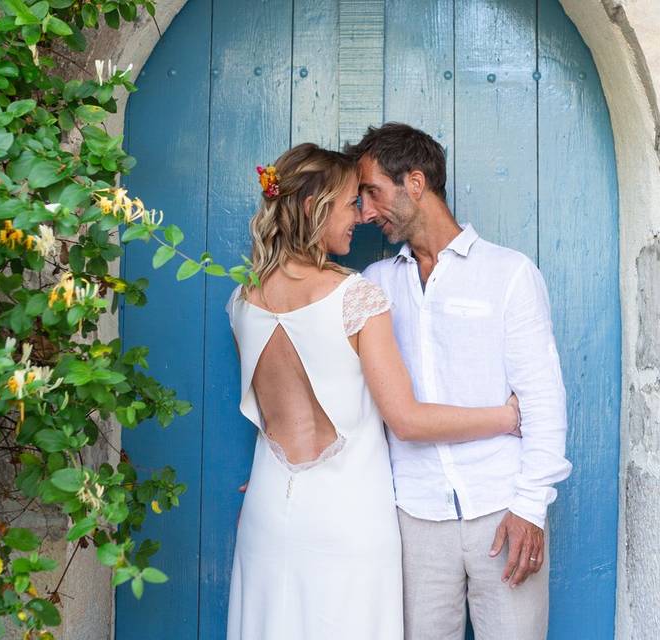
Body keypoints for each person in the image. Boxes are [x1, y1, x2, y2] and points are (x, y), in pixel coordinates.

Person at [224, 143, 522, 640]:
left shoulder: (241, 300)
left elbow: (278, 412)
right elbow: (406, 419)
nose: (360, 217)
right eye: (349, 204)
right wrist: (506, 417)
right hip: (349, 515)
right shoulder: (356, 296)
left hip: (269, 508)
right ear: (311, 208)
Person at [344, 123, 572, 640]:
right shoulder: (374, 285)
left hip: (502, 508)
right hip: (413, 517)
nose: (367, 212)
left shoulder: (508, 273)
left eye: (374, 193)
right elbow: (342, 393)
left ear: (416, 183)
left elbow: (542, 398)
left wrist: (530, 507)